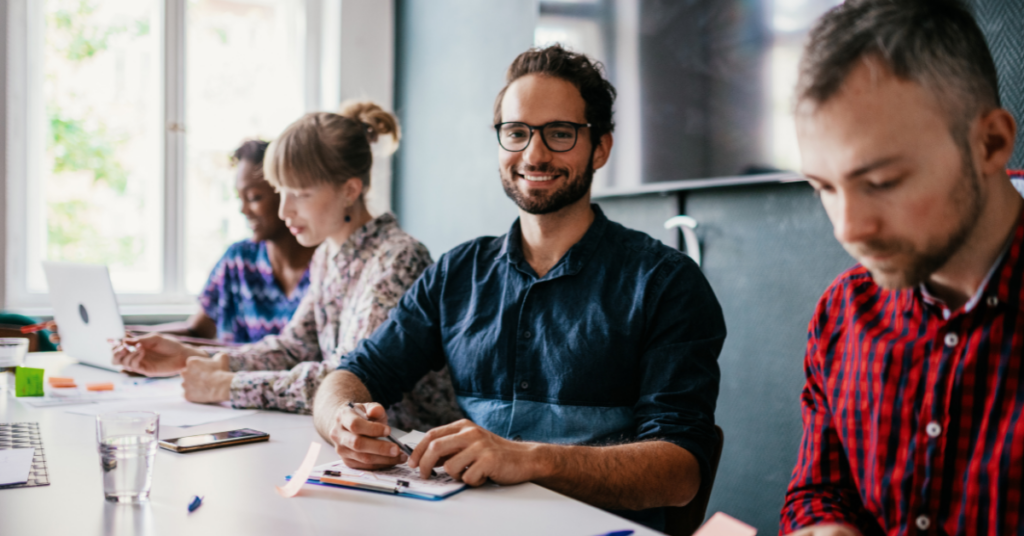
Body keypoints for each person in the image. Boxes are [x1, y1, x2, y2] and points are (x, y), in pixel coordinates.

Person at [312, 45, 725, 531]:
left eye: (560, 133)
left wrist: (529, 459)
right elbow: (354, 373)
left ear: (601, 148)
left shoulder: (666, 282)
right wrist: (342, 419)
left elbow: (680, 472)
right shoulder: (457, 272)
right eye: (516, 133)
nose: (534, 153)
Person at [780, 1, 1022, 535]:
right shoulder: (844, 313)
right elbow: (818, 493)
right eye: (824, 187)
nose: (848, 229)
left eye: (883, 182)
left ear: (991, 143)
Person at [112, 102, 464, 430]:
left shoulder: (398, 259)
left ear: (350, 190)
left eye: (301, 193)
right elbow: (293, 347)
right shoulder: (329, 255)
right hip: (359, 449)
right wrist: (194, 357)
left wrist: (227, 385)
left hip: (416, 452)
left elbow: (350, 384)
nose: (284, 211)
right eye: (281, 192)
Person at [184, 140, 315, 343]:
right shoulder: (237, 260)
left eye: (254, 197)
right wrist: (133, 340)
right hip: (232, 375)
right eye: (240, 198)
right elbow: (196, 331)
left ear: (288, 195)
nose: (243, 210)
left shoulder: (329, 265)